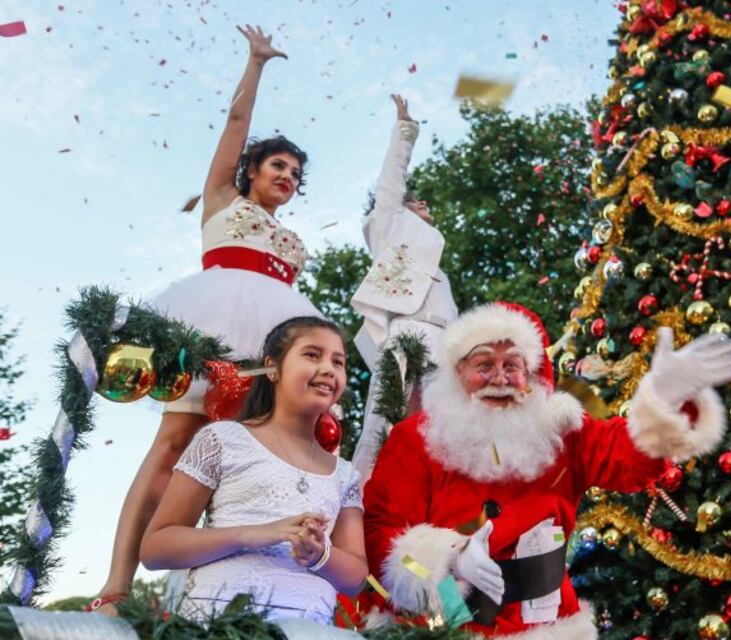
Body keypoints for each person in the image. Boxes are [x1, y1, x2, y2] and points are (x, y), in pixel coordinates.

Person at [90, 25, 324, 615]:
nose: (287, 178)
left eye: (295, 174)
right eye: (278, 165)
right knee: (173, 444)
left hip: (273, 346)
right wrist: (256, 63)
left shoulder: (294, 245)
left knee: (241, 465)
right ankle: (116, 586)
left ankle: (199, 596)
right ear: (251, 170)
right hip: (211, 327)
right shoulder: (223, 199)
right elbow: (236, 126)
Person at [363, 302, 731, 638]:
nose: (499, 378)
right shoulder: (415, 438)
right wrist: (448, 558)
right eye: (483, 365)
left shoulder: (563, 432)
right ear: (458, 372)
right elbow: (381, 533)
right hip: (446, 628)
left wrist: (664, 400)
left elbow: (630, 458)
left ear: (531, 373)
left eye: (512, 365)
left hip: (549, 628)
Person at [140, 316, 368, 625]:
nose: (329, 369)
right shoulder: (221, 439)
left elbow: (355, 579)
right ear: (273, 367)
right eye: (312, 355)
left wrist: (320, 555)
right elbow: (155, 549)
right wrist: (255, 534)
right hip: (217, 627)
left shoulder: (344, 475)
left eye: (338, 362)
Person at [349, 94, 458, 486]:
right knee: (382, 426)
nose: (424, 203)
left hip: (446, 347)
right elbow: (390, 183)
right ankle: (359, 501)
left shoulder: (438, 267)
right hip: (406, 334)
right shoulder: (388, 228)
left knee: (443, 435)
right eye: (416, 201)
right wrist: (405, 131)